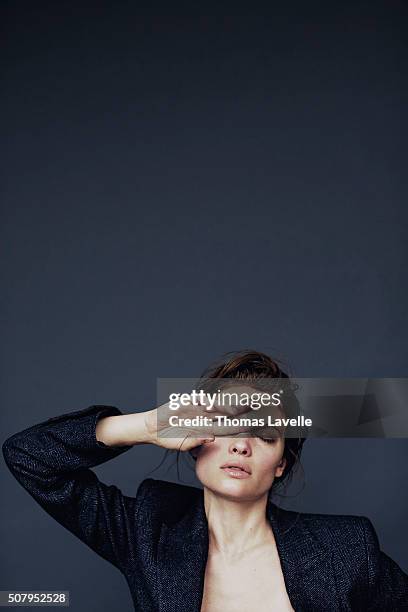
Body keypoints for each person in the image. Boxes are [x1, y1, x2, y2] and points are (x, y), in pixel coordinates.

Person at [2, 350, 408, 611]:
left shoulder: (347, 550)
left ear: (281, 463)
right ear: (195, 443)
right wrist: (145, 426)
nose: (241, 446)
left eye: (265, 435)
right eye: (226, 427)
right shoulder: (148, 533)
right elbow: (30, 457)